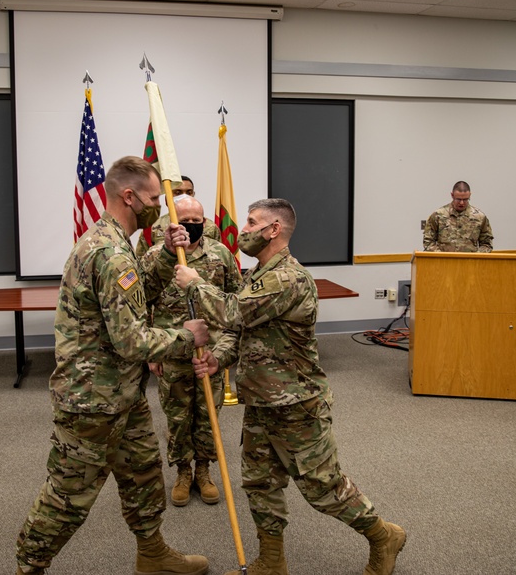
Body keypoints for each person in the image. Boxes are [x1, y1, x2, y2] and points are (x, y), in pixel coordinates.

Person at [172, 198, 406, 575]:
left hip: (297, 405)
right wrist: (218, 358)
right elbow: (240, 330)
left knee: (322, 489)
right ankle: (271, 562)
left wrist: (196, 283)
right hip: (261, 401)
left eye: (250, 223)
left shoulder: (289, 278)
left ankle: (383, 536)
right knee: (260, 484)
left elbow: (234, 312)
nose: (243, 229)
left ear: (273, 229)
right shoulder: (259, 274)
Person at [14, 156, 211, 575]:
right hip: (93, 402)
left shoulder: (114, 242)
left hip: (123, 394)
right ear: (129, 196)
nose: (161, 206)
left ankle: (152, 553)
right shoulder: (109, 252)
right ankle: (29, 566)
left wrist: (162, 255)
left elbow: (133, 294)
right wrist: (186, 337)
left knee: (142, 475)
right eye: (156, 198)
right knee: (69, 496)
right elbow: (131, 340)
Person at [140, 195, 241, 508]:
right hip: (171, 352)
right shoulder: (157, 256)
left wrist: (222, 353)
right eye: (185, 221)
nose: (192, 227)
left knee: (208, 415)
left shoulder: (221, 254)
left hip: (209, 356)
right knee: (178, 416)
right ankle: (183, 472)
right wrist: (151, 353)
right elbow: (142, 306)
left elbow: (236, 304)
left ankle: (203, 471)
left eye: (197, 222)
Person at [136, 175, 221, 258]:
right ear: (168, 196)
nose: (184, 196)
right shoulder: (152, 227)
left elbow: (220, 254)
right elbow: (141, 262)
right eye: (178, 192)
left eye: (189, 192)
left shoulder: (210, 226)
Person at [422, 180, 493, 252]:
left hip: (470, 261)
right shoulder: (438, 215)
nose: (462, 203)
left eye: (465, 199)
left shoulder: (479, 217)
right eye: (458, 199)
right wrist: (442, 256)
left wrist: (475, 257)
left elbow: (487, 244)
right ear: (452, 195)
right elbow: (428, 242)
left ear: (469, 195)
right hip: (444, 261)